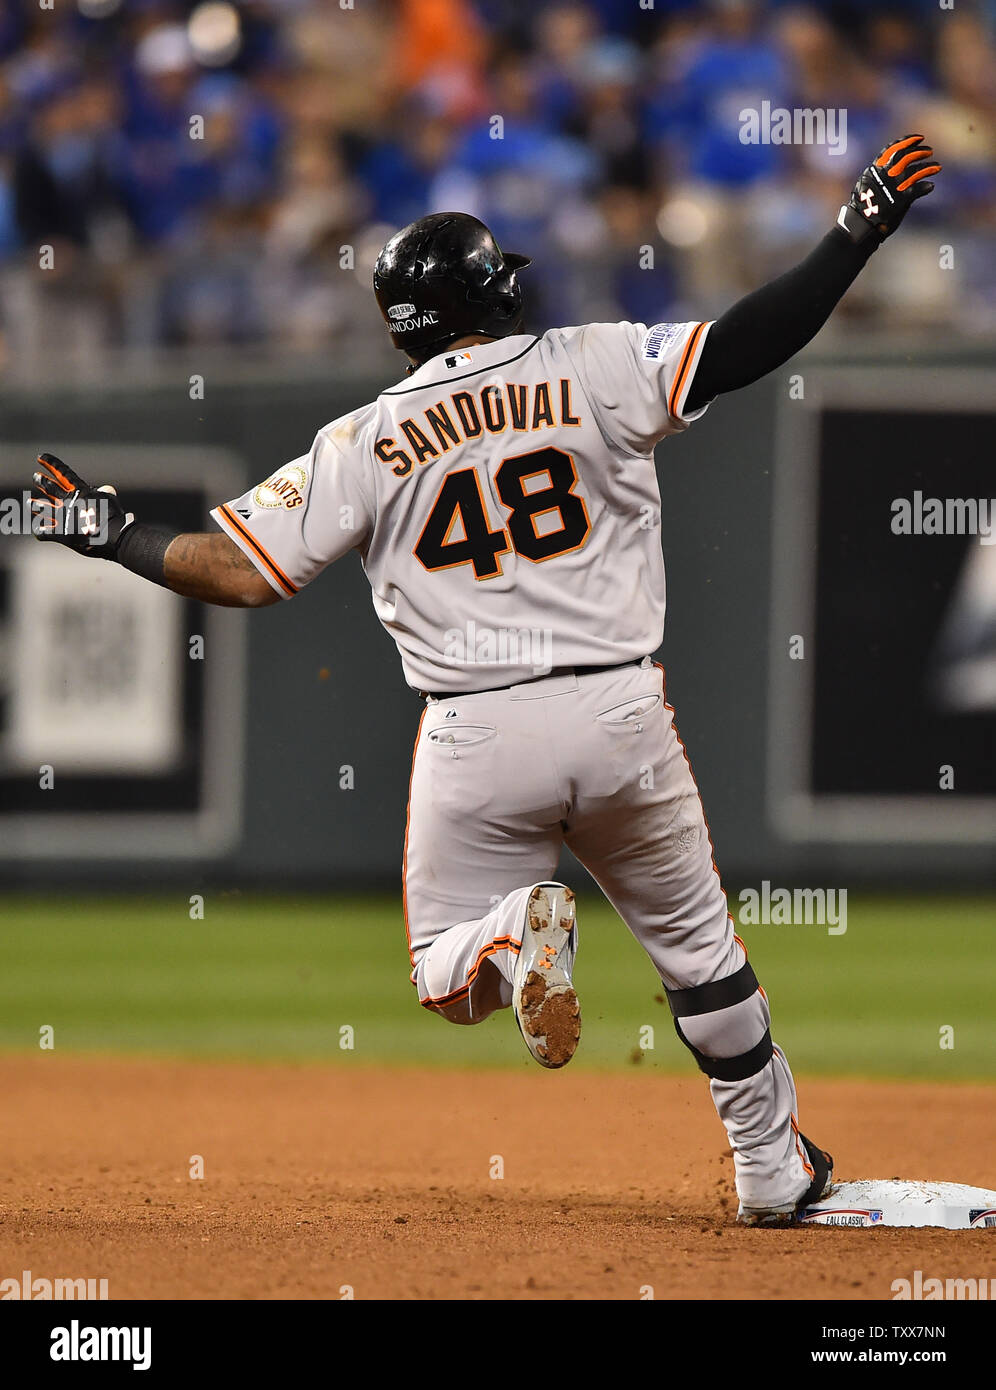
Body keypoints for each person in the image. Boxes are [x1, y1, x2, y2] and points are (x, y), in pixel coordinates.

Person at [29, 135, 940, 1225]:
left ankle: (508, 936)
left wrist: (111, 528)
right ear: (487, 293)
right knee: (702, 957)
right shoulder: (592, 362)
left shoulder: (364, 438)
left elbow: (236, 571)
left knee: (442, 972)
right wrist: (855, 232)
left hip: (475, 730)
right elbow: (747, 343)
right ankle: (768, 1168)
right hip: (620, 708)